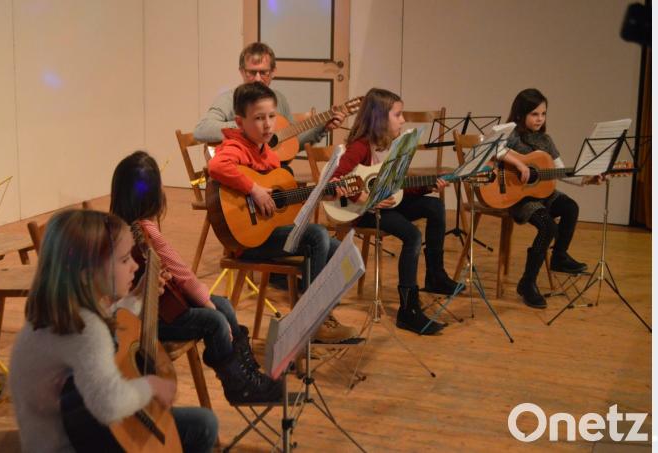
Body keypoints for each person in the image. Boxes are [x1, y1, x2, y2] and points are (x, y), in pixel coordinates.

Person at [10, 209, 217, 453]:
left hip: (66, 433)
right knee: (203, 426)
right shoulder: (85, 328)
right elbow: (110, 405)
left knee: (196, 423)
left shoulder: (60, 313)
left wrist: (138, 296)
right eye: (124, 259)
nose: (134, 266)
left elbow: (111, 319)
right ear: (87, 275)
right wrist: (151, 385)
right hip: (72, 444)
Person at [109, 150, 281, 404]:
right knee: (215, 320)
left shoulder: (119, 227)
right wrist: (208, 304)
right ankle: (240, 385)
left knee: (224, 306)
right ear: (154, 195)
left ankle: (247, 374)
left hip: (156, 309)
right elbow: (184, 275)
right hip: (149, 321)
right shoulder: (146, 230)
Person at [207, 81, 358, 343]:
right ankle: (311, 320)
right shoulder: (236, 147)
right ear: (240, 122)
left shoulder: (269, 154)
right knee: (317, 235)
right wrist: (254, 189)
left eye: (271, 117)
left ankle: (322, 313)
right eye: (259, 118)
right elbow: (216, 166)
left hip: (269, 234)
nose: (268, 125)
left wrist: (325, 193)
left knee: (338, 249)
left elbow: (286, 199)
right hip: (249, 242)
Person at [332, 88, 462, 335]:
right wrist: (365, 198)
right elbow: (336, 180)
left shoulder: (391, 146)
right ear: (380, 118)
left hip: (385, 204)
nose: (403, 120)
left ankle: (435, 275)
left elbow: (398, 187)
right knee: (412, 235)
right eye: (398, 114)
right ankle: (408, 310)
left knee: (434, 205)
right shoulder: (360, 146)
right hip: (364, 211)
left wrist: (428, 185)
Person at [499, 88, 604, 309]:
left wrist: (587, 179)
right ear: (520, 114)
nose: (540, 119)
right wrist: (519, 164)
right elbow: (492, 148)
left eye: (543, 114)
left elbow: (561, 171)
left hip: (542, 192)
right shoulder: (512, 134)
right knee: (548, 226)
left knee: (570, 207)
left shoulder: (546, 140)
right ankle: (528, 283)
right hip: (517, 197)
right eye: (534, 114)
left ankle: (559, 256)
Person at [193, 41, 344, 145]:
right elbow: (201, 130)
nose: (258, 79)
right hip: (242, 168)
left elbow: (291, 141)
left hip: (273, 168)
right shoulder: (229, 99)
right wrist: (248, 127)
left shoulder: (279, 99)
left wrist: (323, 127)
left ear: (273, 72)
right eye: (252, 72)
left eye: (263, 72)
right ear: (242, 72)